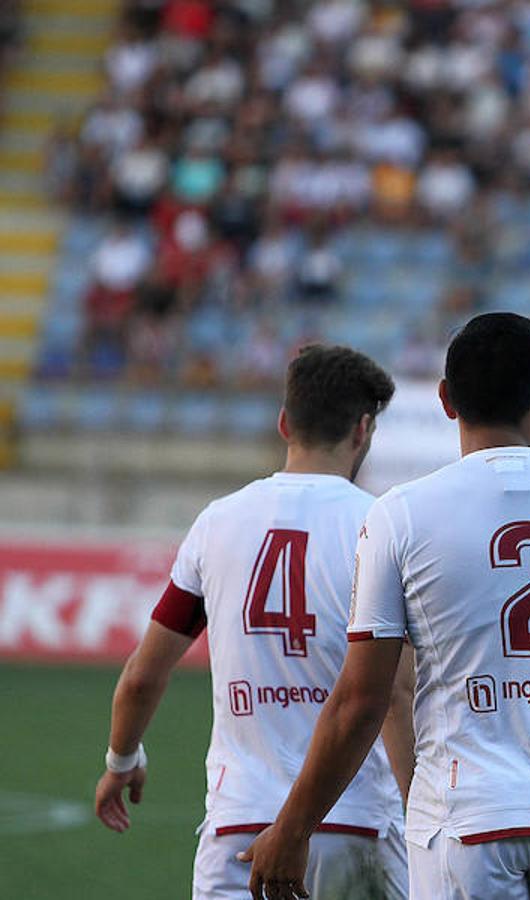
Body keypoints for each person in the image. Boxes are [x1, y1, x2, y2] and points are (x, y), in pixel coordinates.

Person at [241, 313, 530, 900]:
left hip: (464, 822)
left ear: (445, 400)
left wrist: (292, 828)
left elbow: (362, 699)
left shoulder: (401, 514)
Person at [94, 344, 412, 899]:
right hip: (352, 822)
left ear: (285, 422)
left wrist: (122, 758)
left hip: (238, 826)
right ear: (363, 430)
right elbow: (394, 696)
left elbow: (143, 675)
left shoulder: (217, 522)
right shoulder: (380, 525)